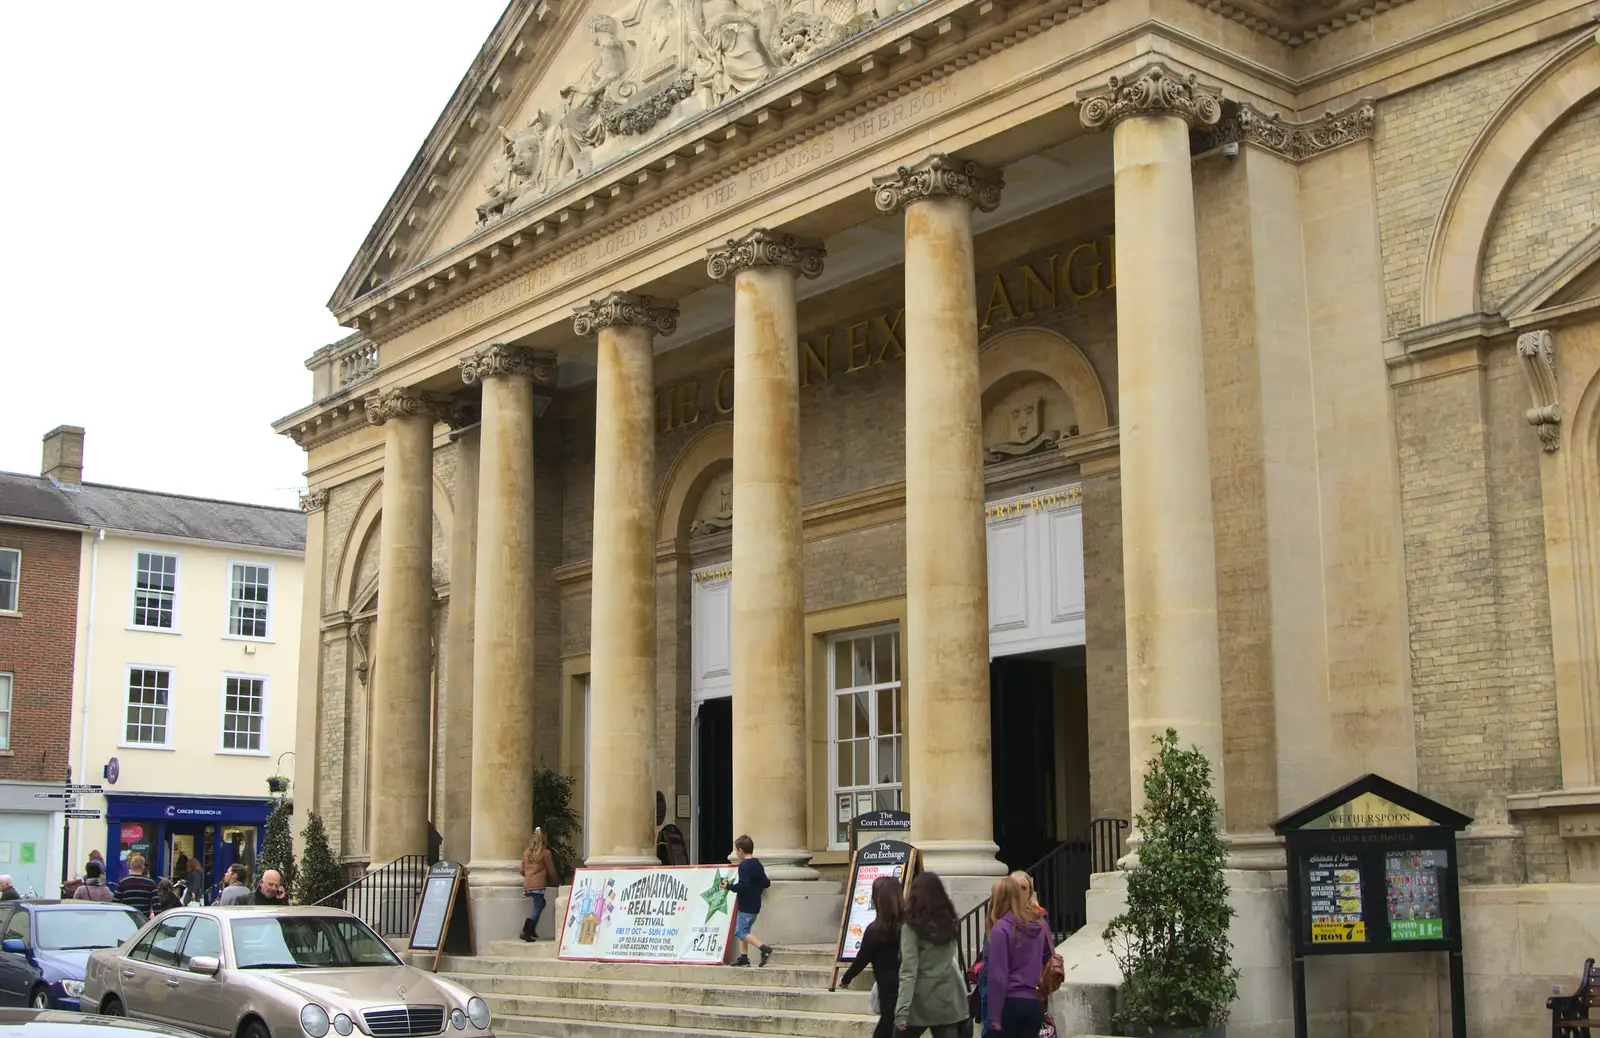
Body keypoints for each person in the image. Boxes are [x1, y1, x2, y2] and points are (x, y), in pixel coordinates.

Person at [894, 872, 968, 1037]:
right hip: (948, 999)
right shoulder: (951, 923)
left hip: (920, 1000)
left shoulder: (911, 928)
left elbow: (908, 971)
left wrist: (902, 1010)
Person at [985, 876, 1052, 1038]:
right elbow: (1049, 958)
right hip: (1035, 1002)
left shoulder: (1001, 928)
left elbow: (998, 976)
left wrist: (993, 1016)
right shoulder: (1040, 925)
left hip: (1010, 1001)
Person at [840, 876, 904, 1038]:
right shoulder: (909, 926)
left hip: (889, 990)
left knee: (885, 1029)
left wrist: (846, 978)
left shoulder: (875, 931)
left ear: (877, 899)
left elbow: (862, 958)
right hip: (908, 987)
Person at [720, 834, 774, 967]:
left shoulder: (744, 866)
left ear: (740, 851)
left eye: (736, 851)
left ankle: (764, 948)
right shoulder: (757, 864)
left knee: (741, 932)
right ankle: (743, 957)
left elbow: (744, 885)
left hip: (746, 904)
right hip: (755, 904)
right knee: (746, 930)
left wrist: (729, 886)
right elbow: (766, 882)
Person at [520, 828, 558, 942]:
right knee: (537, 906)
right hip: (538, 884)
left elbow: (522, 870)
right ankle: (526, 931)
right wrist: (556, 882)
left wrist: (528, 877)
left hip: (528, 883)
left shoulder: (526, 853)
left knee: (541, 904)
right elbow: (551, 871)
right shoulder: (545, 853)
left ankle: (531, 930)